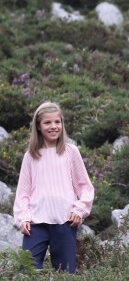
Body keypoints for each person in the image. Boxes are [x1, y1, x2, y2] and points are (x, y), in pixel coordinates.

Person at [13, 101, 94, 273]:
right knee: (27, 272)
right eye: (47, 122)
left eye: (57, 122)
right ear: (38, 126)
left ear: (62, 124)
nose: (53, 126)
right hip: (35, 224)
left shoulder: (71, 152)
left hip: (65, 222)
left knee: (65, 273)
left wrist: (79, 209)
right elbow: (23, 193)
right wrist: (23, 218)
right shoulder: (31, 156)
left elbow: (85, 187)